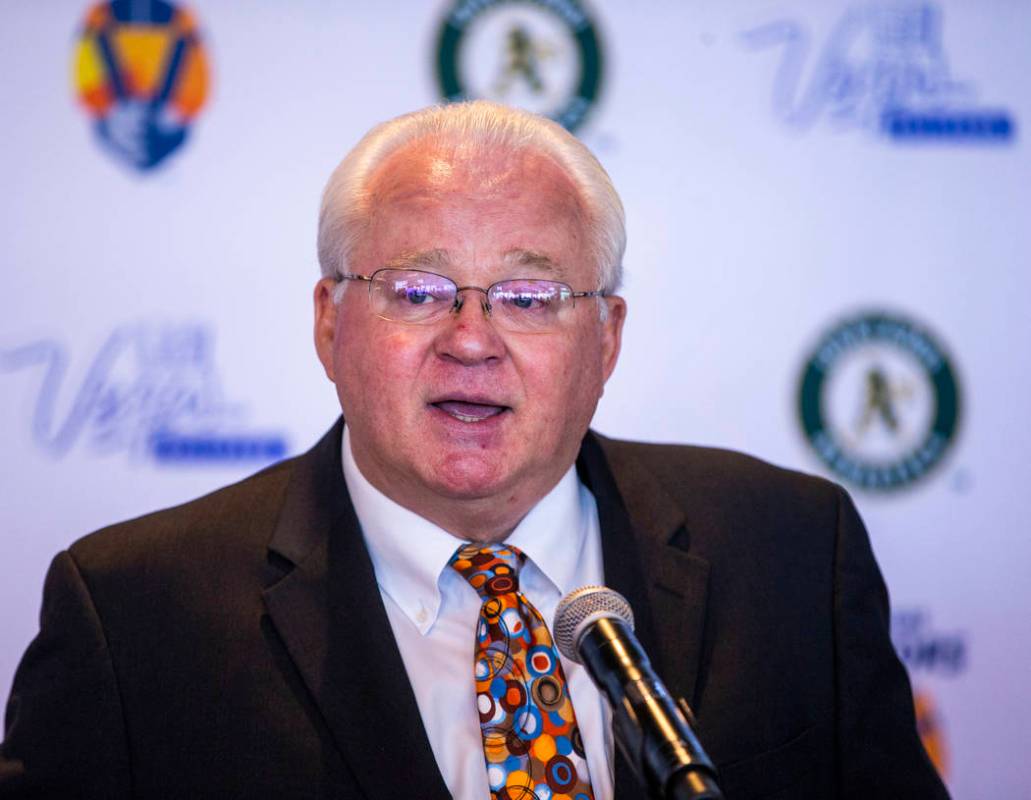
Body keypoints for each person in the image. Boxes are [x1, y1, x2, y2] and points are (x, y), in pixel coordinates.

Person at [0, 101, 948, 799]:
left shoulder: (789, 550)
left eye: (529, 298)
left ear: (607, 339)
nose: (470, 337)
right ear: (330, 322)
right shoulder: (132, 615)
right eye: (417, 289)